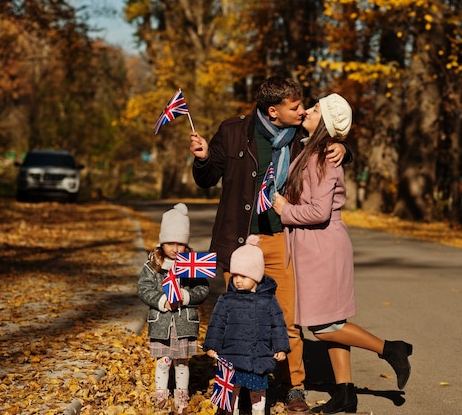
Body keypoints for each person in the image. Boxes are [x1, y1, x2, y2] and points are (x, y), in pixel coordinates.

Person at [189, 75, 350, 412]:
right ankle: (235, 389)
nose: (303, 111)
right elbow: (206, 179)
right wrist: (203, 157)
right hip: (238, 243)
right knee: (238, 319)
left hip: (281, 239)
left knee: (287, 320)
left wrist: (344, 149)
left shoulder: (300, 140)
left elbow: (328, 150)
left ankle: (294, 388)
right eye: (295, 107)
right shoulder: (233, 131)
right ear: (273, 111)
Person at [273, 94, 413, 414]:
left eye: (315, 109)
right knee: (331, 322)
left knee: (322, 326)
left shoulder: (322, 157)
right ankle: (346, 394)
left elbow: (319, 211)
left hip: (322, 245)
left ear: (326, 121)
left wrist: (284, 209)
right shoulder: (312, 150)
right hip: (314, 246)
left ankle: (391, 349)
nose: (306, 111)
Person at [203, 235, 291, 415]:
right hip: (232, 355)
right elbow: (217, 324)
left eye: (243, 275)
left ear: (256, 276)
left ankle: (258, 412)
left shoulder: (268, 300)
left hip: (258, 355)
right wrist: (212, 345)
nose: (237, 280)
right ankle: (231, 411)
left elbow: (278, 325)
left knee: (257, 391)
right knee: (232, 388)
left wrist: (281, 347)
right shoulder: (227, 299)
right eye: (235, 275)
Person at [137, 203, 210, 414]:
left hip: (183, 323)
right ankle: (161, 393)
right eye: (171, 243)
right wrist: (161, 300)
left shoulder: (192, 264)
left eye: (181, 243)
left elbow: (203, 289)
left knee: (182, 363)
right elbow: (144, 288)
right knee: (163, 361)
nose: (176, 248)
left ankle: (182, 395)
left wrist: (187, 296)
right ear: (162, 242)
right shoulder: (154, 265)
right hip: (162, 323)